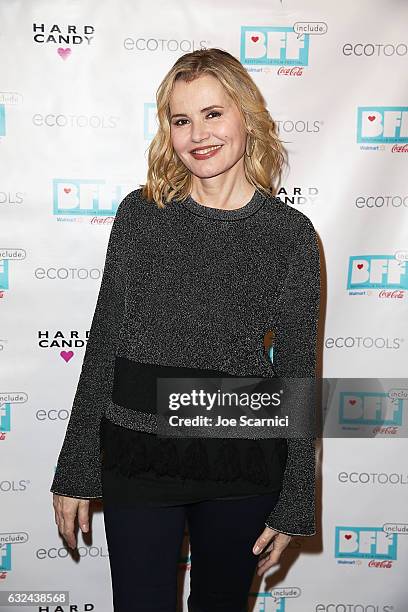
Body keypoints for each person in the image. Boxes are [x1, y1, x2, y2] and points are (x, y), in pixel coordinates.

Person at [51, 47, 321, 612]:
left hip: (241, 464)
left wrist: (295, 498)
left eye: (213, 114)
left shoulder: (290, 235)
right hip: (140, 456)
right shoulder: (141, 215)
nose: (198, 133)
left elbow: (298, 374)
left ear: (247, 115)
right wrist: (76, 468)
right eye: (181, 120)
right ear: (167, 130)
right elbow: (103, 343)